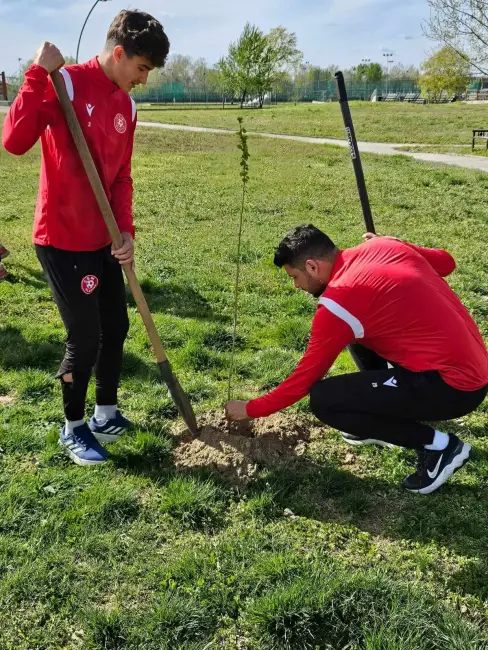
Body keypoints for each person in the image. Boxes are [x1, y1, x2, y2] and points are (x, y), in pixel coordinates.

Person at [2, 10, 170, 466]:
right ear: (119, 53)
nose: (143, 80)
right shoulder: (66, 84)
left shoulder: (127, 106)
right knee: (86, 335)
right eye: (141, 68)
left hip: (104, 240)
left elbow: (121, 179)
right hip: (61, 237)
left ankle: (105, 414)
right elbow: (14, 141)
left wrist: (126, 232)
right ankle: (73, 427)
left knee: (116, 325)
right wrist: (37, 72)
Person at [225, 225, 488, 494]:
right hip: (473, 364)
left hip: (454, 388)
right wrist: (396, 242)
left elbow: (304, 380)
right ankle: (372, 418)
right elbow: (446, 262)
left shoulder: (339, 303)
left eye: (295, 276)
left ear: (312, 267)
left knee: (325, 400)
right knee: (357, 330)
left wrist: (251, 409)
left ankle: (440, 446)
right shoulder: (382, 247)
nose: (296, 285)